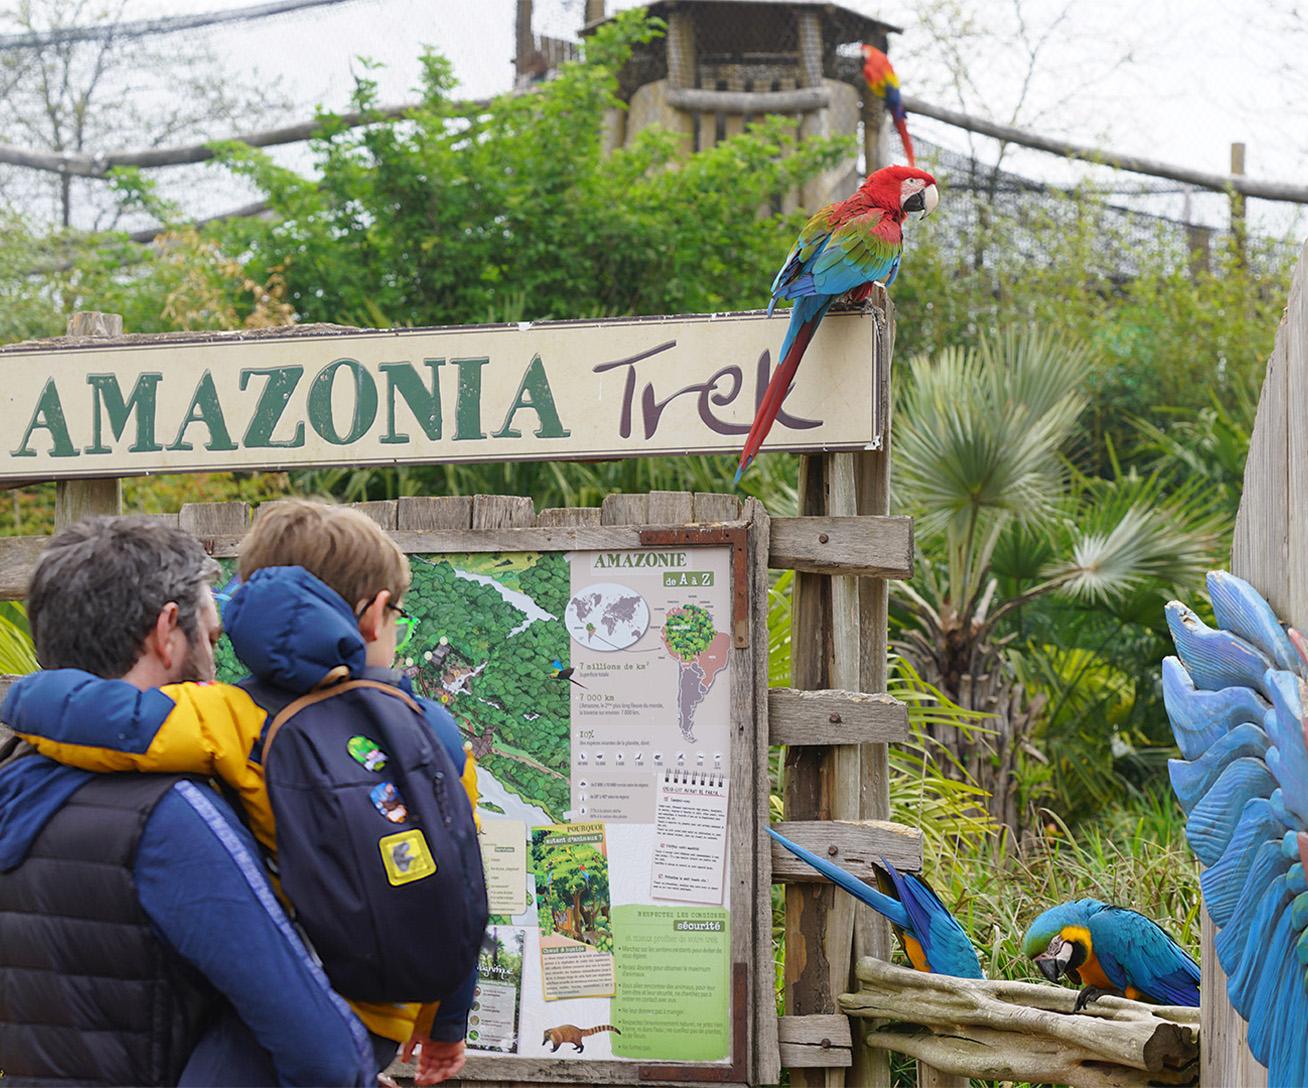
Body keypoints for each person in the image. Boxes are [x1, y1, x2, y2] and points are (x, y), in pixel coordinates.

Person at [6, 500, 483, 1086]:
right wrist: (443, 1025)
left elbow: (119, 725)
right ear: (377, 612)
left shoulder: (233, 718)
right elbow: (462, 889)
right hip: (379, 1006)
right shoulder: (430, 728)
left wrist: (26, 699)